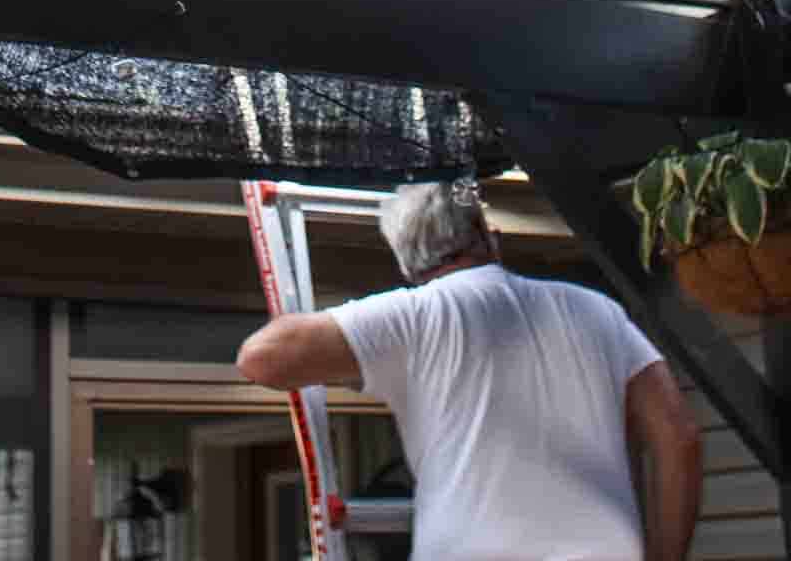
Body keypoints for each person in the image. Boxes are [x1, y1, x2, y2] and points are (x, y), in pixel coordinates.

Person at [236, 182, 702, 561]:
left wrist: (356, 326)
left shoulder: (411, 318)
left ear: (404, 259)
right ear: (486, 232)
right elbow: (677, 436)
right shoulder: (594, 310)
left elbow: (260, 357)